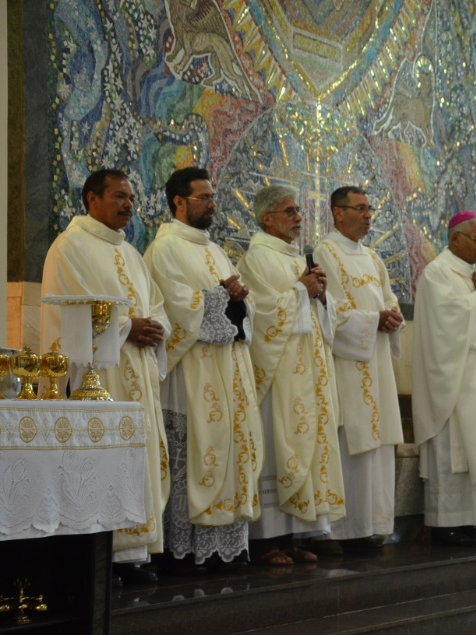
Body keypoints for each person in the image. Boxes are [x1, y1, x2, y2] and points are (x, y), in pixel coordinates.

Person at [40, 168, 170, 585]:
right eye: (119, 196)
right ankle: (100, 556)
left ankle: (134, 552)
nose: (129, 204)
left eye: (131, 197)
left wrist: (153, 327)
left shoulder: (132, 254)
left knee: (137, 457)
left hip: (138, 375)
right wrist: (128, 327)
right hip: (99, 379)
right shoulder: (70, 247)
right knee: (100, 460)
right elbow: (69, 314)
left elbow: (157, 307)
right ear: (92, 199)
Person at [144, 167, 264, 571]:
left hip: (227, 367)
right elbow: (176, 307)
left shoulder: (215, 250)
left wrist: (239, 300)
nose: (213, 204)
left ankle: (224, 545)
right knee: (195, 450)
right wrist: (222, 298)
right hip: (191, 373)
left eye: (213, 197)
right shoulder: (164, 248)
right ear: (178, 202)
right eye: (204, 198)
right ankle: (189, 550)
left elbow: (241, 304)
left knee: (229, 450)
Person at [236, 185, 346, 565]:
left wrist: (318, 296)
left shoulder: (297, 257)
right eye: (289, 212)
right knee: (276, 448)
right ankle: (267, 540)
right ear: (267, 218)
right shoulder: (257, 258)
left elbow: (317, 316)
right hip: (278, 372)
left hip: (308, 369)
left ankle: (297, 533)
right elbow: (261, 313)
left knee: (304, 449)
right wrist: (301, 291)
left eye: (298, 211)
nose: (298, 218)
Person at [313, 186, 404, 551]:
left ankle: (370, 526)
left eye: (370, 209)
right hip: (347, 364)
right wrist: (373, 320)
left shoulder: (372, 257)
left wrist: (392, 314)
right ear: (337, 213)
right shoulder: (325, 251)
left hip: (377, 359)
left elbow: (389, 297)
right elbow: (328, 310)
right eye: (360, 208)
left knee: (376, 442)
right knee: (350, 442)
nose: (368, 215)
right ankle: (344, 529)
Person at [412, 211, 476, 545]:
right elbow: (446, 323)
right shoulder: (436, 273)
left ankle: (474, 521)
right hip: (452, 379)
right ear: (455, 239)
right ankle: (447, 524)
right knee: (452, 451)